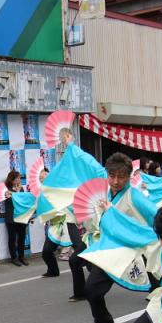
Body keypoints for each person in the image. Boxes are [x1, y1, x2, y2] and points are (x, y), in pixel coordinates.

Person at [79, 153, 159, 323]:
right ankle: (104, 321)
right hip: (111, 250)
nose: (115, 181)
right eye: (112, 176)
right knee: (92, 289)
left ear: (129, 176)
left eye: (121, 177)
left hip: (136, 250)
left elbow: (158, 216)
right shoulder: (103, 195)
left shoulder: (135, 197)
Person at [38, 127, 107, 301]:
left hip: (101, 234)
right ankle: (81, 292)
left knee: (96, 266)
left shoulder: (96, 184)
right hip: (84, 234)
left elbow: (90, 165)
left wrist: (71, 145)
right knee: (76, 260)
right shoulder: (71, 194)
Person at [3, 170, 29, 266]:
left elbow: (24, 201)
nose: (19, 180)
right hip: (11, 217)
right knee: (12, 238)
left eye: (19, 178)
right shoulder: (6, 189)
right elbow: (11, 201)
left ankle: (22, 256)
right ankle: (14, 258)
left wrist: (20, 192)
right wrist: (17, 193)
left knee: (22, 238)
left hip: (21, 217)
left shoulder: (21, 189)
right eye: (17, 178)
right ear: (12, 179)